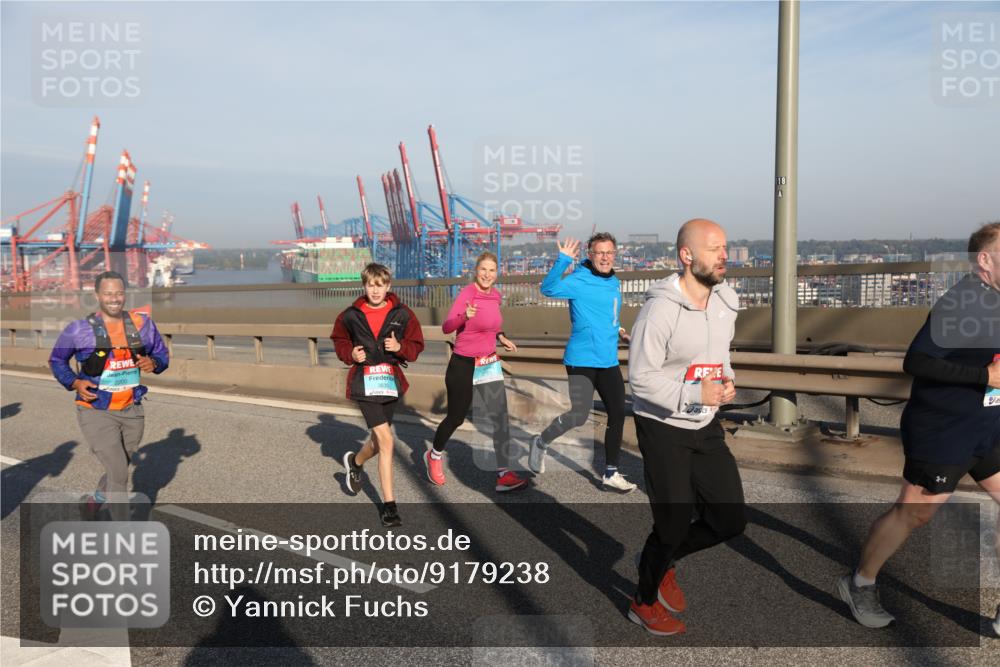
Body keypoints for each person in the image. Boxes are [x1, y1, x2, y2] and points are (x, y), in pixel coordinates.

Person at [838, 221, 1000, 630]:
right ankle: (859, 583)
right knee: (914, 513)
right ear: (985, 260)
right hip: (944, 429)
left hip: (988, 426)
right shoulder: (962, 302)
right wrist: (986, 377)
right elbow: (918, 361)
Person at [626, 218, 746, 636]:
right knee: (673, 524)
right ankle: (642, 600)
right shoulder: (659, 310)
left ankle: (661, 562)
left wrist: (726, 382)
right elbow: (640, 378)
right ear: (687, 255)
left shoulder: (725, 300)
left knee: (730, 520)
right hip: (662, 426)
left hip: (706, 424)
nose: (723, 255)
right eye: (714, 248)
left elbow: (720, 355)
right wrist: (696, 394)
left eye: (725, 247)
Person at [49, 271, 170, 520]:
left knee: (120, 468)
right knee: (119, 473)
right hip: (95, 409)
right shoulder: (78, 329)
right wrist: (74, 382)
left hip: (132, 409)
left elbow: (161, 355)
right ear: (97, 296)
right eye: (108, 293)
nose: (114, 298)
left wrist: (153, 362)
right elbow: (57, 359)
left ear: (125, 294)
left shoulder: (142, 324)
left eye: (119, 293)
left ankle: (93, 502)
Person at [527, 233, 637, 493]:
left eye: (610, 252)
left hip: (608, 359)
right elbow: (547, 289)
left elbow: (607, 313)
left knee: (618, 414)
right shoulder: (578, 280)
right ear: (590, 254)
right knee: (578, 416)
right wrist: (563, 260)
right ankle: (540, 442)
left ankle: (611, 472)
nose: (605, 257)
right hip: (581, 360)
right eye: (600, 252)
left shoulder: (613, 281)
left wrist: (621, 330)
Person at [425, 251, 529, 492]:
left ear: (497, 274)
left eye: (492, 270)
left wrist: (501, 336)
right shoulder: (467, 294)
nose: (487, 274)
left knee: (499, 418)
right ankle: (434, 455)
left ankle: (503, 474)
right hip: (463, 363)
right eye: (483, 269)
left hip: (488, 363)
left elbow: (492, 323)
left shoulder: (495, 296)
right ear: (476, 271)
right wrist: (464, 316)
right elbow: (446, 327)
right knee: (456, 417)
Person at [332, 263, 425, 527]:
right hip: (364, 383)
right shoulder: (350, 315)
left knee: (377, 440)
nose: (375, 290)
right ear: (364, 286)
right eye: (371, 285)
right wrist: (350, 353)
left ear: (388, 286)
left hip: (389, 383)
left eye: (380, 285)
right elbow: (339, 339)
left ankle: (355, 461)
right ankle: (390, 506)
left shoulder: (402, 313)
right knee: (387, 441)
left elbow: (417, 345)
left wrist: (400, 347)